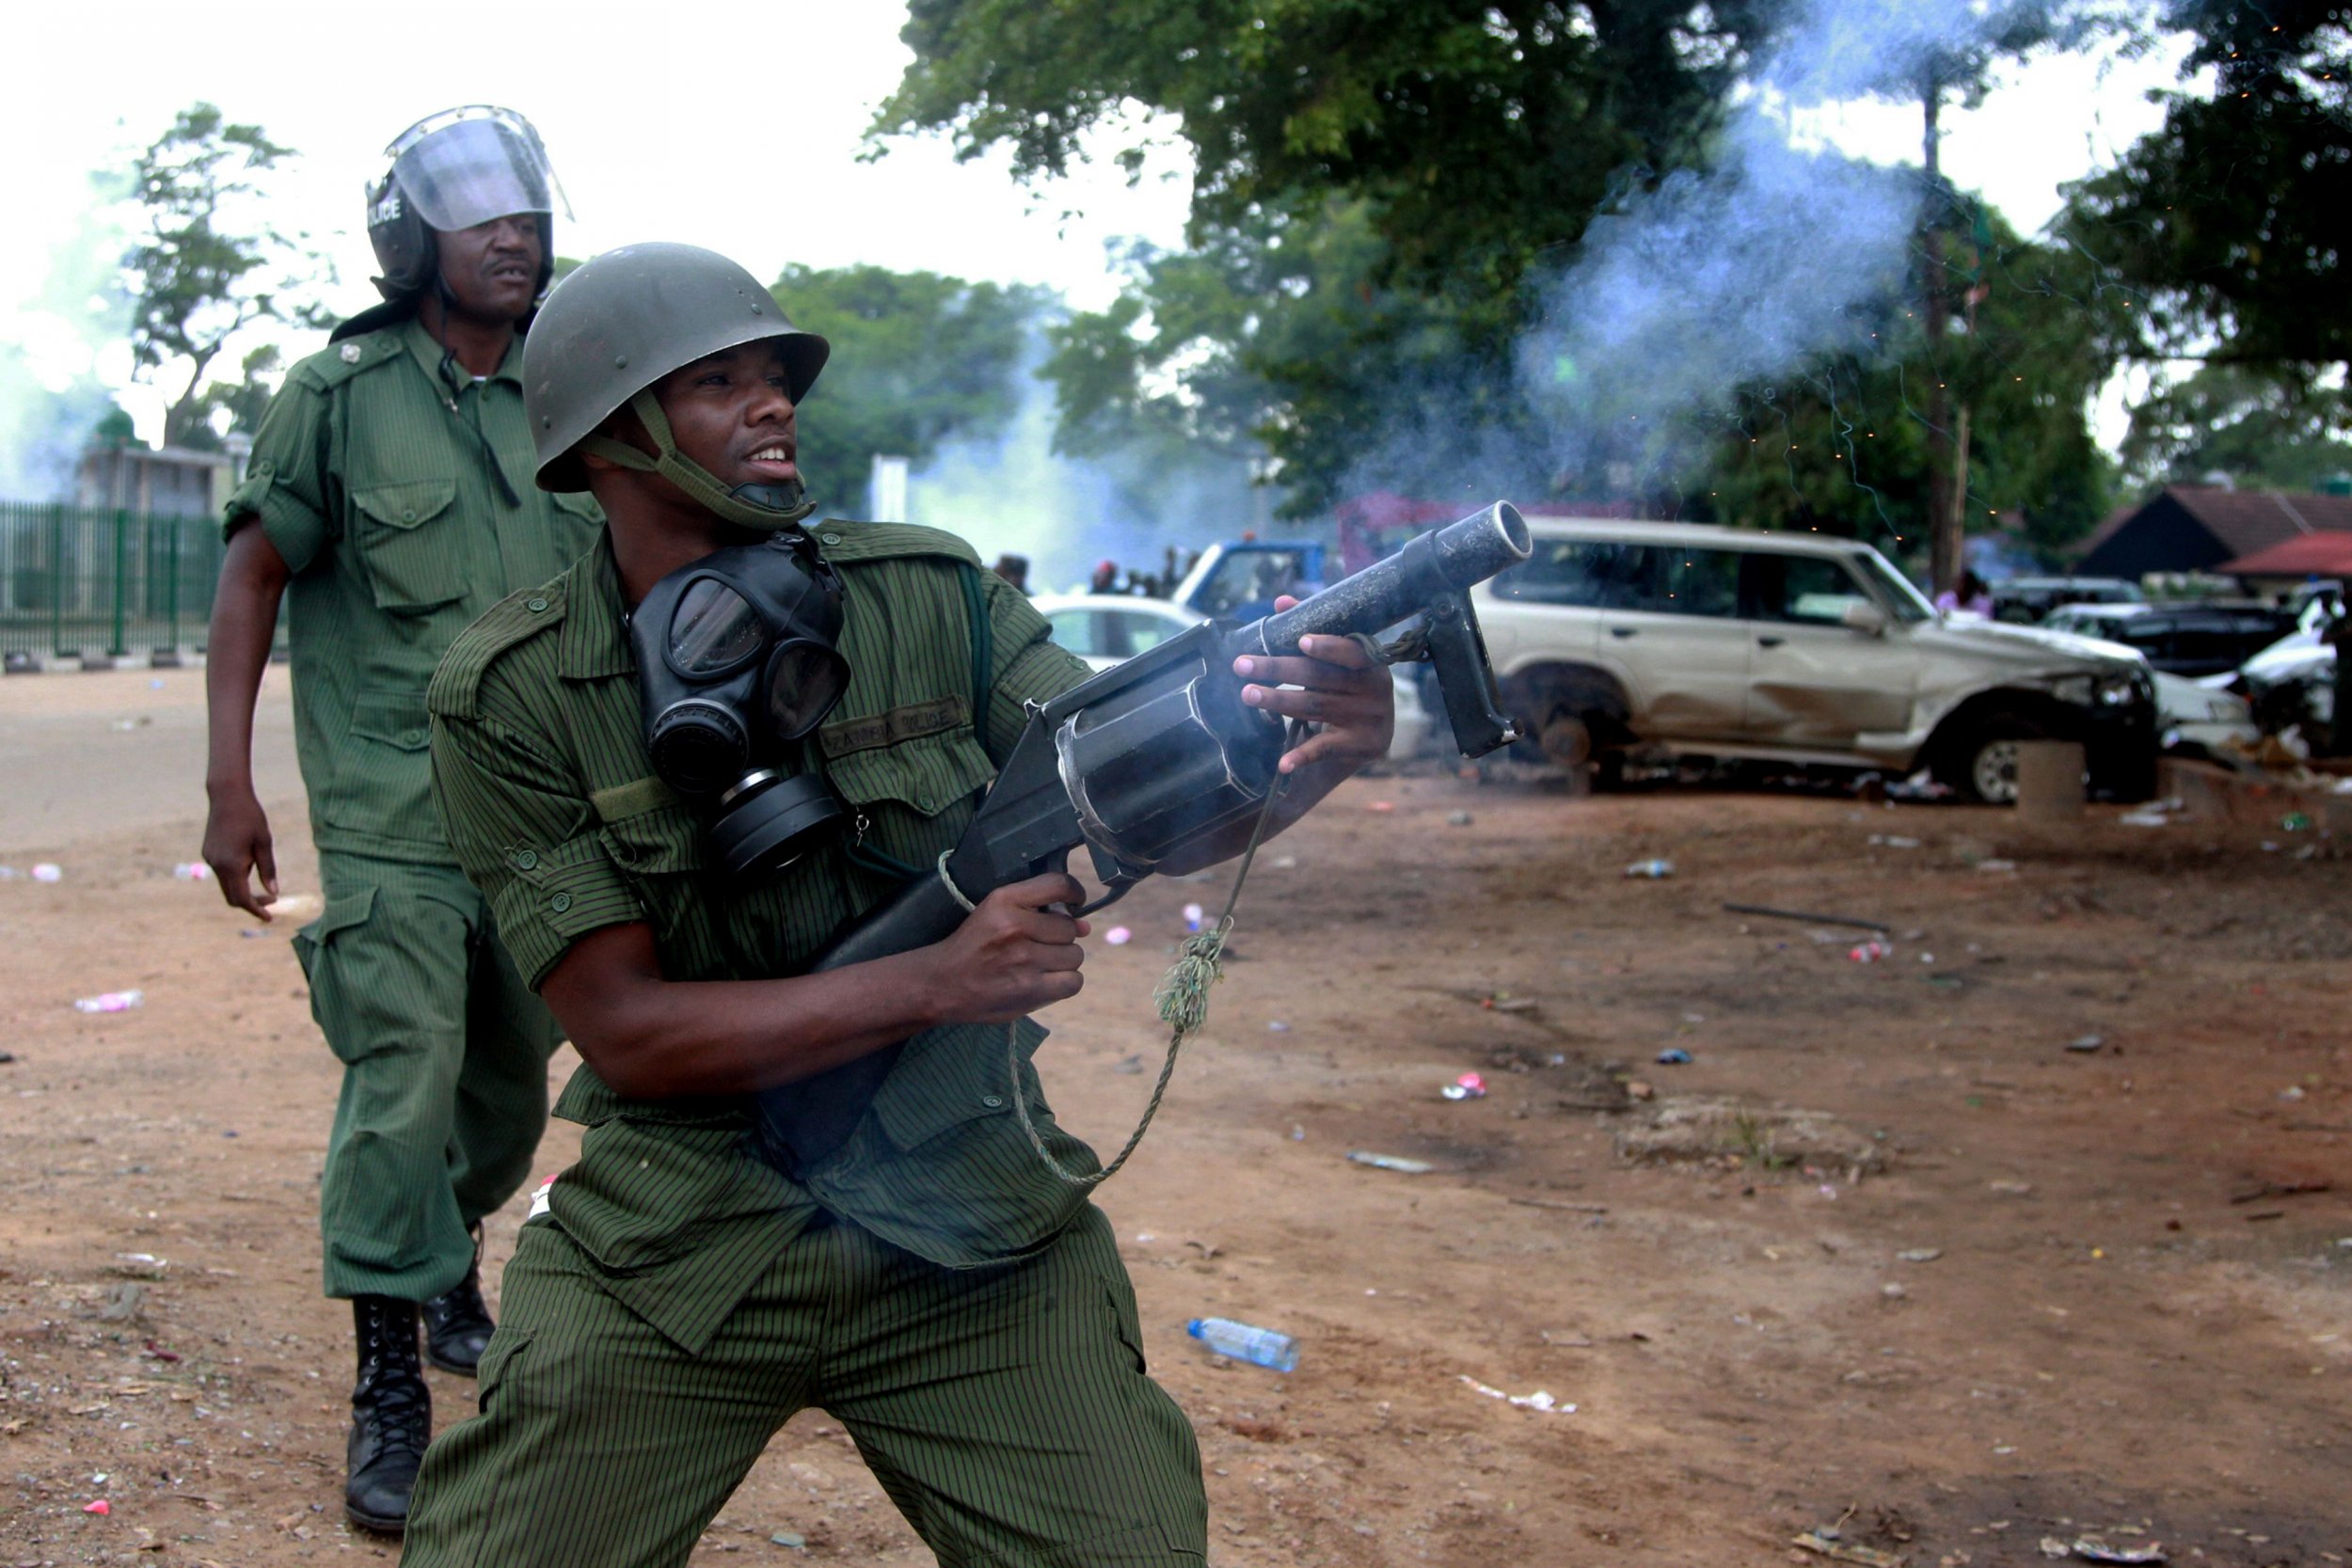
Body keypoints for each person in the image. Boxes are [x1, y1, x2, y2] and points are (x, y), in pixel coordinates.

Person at [400, 242, 1393, 1568]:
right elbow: (627, 1030)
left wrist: (1312, 756)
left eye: (777, 378)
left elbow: (1139, 805)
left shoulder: (930, 600)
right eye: (718, 384)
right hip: (684, 1244)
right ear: (609, 437)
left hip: (970, 1223)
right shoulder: (513, 694)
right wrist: (936, 982)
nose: (773, 406)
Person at [199, 106, 601, 1534]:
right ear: (409, 241)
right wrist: (230, 781)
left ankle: (444, 1260)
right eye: (478, 212)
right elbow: (254, 578)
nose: (514, 233)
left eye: (527, 210)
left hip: (540, 818)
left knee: (507, 1081)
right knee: (407, 1064)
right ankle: (387, 1379)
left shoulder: (574, 393)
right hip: (385, 809)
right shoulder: (337, 392)